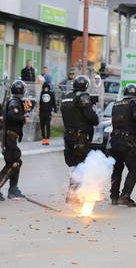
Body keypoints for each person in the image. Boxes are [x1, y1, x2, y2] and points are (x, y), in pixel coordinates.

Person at [0, 80, 32, 201]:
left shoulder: (14, 101)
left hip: (9, 137)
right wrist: (23, 117)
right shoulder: (14, 101)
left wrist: (26, 111)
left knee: (16, 162)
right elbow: (12, 115)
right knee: (13, 163)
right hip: (8, 137)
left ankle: (13, 189)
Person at [60, 75, 99, 203]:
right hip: (79, 136)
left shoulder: (66, 97)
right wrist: (90, 107)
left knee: (74, 166)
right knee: (82, 166)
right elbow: (93, 119)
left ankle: (72, 194)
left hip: (68, 136)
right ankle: (75, 196)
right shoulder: (82, 97)